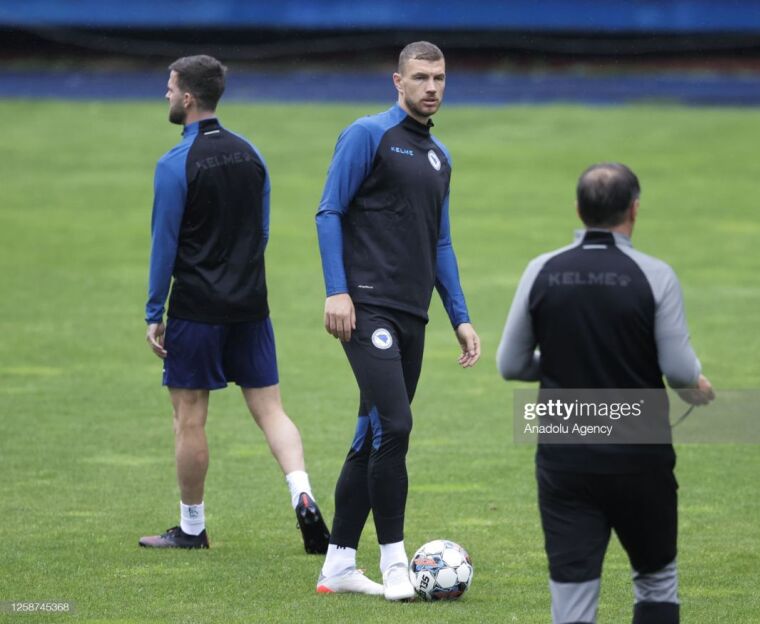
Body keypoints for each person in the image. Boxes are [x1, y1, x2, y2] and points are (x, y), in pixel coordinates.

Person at [497, 163, 715, 624]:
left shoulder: (541, 270)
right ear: (634, 209)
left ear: (578, 210)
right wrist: (695, 385)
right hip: (640, 457)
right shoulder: (655, 275)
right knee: (655, 581)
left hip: (566, 458)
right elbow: (678, 369)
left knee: (572, 596)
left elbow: (511, 364)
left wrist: (560, 362)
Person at [140, 55, 329, 554]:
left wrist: (154, 312)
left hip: (196, 309)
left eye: (170, 87)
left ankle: (192, 528)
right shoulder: (252, 154)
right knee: (271, 410)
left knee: (189, 418)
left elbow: (164, 245)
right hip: (251, 306)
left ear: (188, 97)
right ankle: (302, 493)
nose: (165, 94)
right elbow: (261, 232)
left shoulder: (174, 164)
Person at [314, 41, 481, 599]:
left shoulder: (440, 156)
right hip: (367, 307)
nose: (431, 87)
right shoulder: (368, 135)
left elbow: (442, 242)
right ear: (398, 81)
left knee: (372, 433)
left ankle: (338, 565)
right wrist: (337, 292)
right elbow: (329, 211)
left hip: (414, 314)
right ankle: (393, 563)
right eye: (420, 77)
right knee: (397, 425)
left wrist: (460, 316)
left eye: (439, 78)